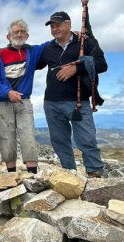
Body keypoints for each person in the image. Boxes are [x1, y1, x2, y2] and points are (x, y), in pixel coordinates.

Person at [37, 11, 107, 177]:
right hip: (51, 102)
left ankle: (95, 174)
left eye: (58, 25)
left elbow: (102, 64)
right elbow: (32, 63)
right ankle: (70, 175)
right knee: (59, 141)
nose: (55, 29)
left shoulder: (85, 42)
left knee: (87, 140)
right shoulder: (48, 48)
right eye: (52, 26)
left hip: (78, 101)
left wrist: (76, 68)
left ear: (68, 24)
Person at [0, 19, 48, 173]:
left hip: (24, 101)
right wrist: (7, 93)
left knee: (28, 135)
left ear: (27, 35)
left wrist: (73, 34)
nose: (19, 34)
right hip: (2, 102)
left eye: (22, 32)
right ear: (9, 36)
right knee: (6, 137)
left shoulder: (32, 52)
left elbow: (51, 44)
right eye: (16, 32)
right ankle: (11, 175)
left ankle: (32, 175)